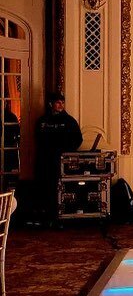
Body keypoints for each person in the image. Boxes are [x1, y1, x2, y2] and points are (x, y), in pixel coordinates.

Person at [34, 92, 82, 222]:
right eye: (58, 102)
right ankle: (46, 215)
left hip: (62, 161)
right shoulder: (42, 121)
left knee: (62, 187)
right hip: (45, 161)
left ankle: (62, 213)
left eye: (62, 102)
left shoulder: (70, 121)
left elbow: (78, 139)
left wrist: (66, 152)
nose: (61, 105)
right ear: (51, 104)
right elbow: (38, 139)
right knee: (46, 187)